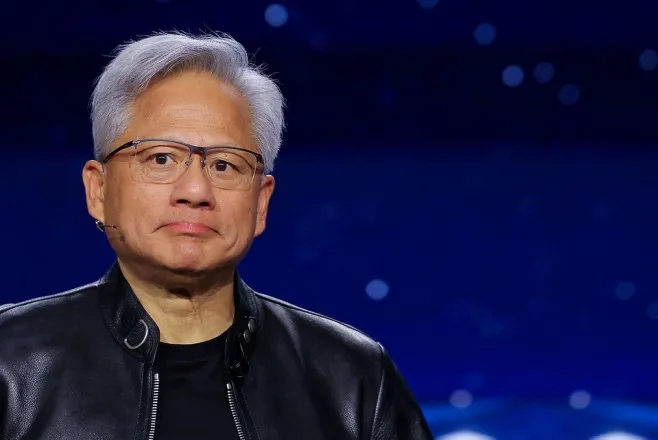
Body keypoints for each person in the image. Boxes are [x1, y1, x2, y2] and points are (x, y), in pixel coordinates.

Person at [0, 32, 433, 440]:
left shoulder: (354, 378)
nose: (195, 191)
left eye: (225, 165)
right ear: (98, 190)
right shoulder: (9, 361)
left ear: (261, 203)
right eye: (161, 158)